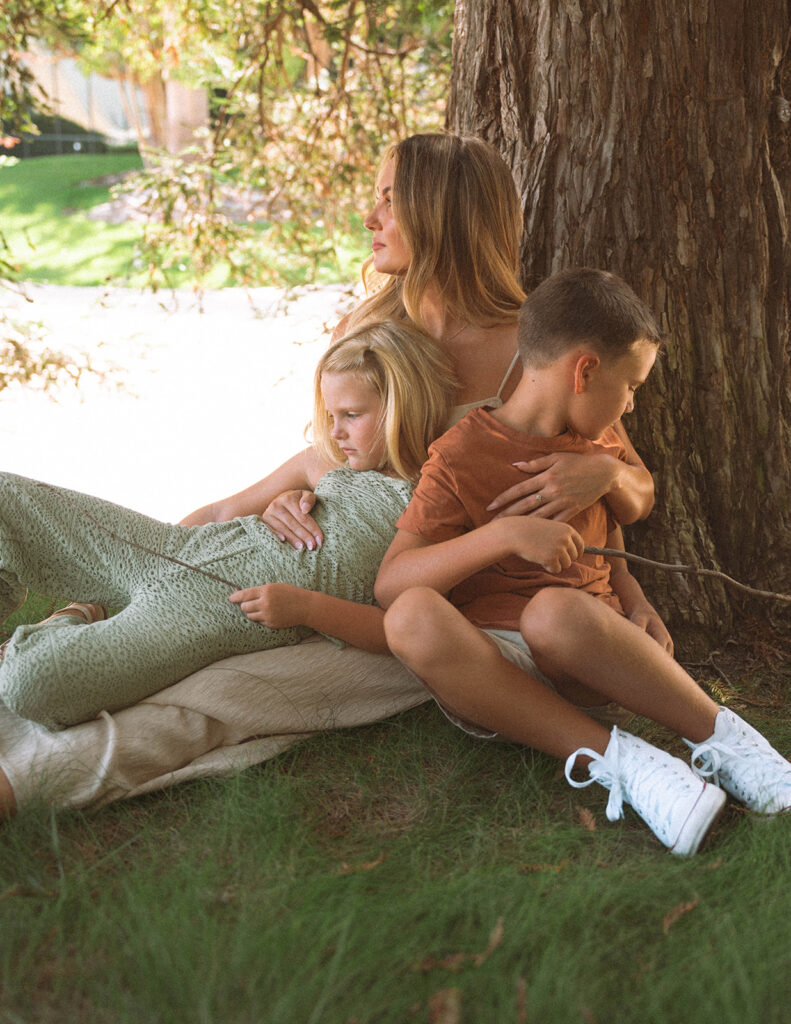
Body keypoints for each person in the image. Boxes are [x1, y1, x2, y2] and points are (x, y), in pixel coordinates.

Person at [0, 133, 653, 815]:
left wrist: (604, 480)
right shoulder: (366, 326)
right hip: (296, 551)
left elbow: (628, 491)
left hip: (416, 610)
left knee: (216, 689)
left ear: (443, 214)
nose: (369, 218)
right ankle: (81, 633)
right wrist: (289, 494)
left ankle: (42, 743)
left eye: (387, 200)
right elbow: (332, 454)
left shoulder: (530, 348)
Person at [377, 268, 791, 857]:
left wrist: (610, 477)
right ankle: (624, 764)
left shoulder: (601, 437)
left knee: (551, 614)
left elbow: (638, 501)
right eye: (632, 386)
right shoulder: (461, 456)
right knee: (411, 616)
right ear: (585, 370)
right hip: (492, 671)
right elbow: (392, 585)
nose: (630, 400)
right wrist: (502, 536)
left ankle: (729, 743)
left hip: (583, 647)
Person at [0, 321, 455, 732]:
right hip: (176, 547)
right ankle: (105, 598)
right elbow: (221, 513)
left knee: (30, 684)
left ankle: (78, 616)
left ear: (403, 405)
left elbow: (394, 625)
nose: (334, 432)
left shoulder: (427, 505)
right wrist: (153, 565)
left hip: (208, 614)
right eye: (331, 416)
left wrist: (307, 609)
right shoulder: (322, 462)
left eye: (352, 416)